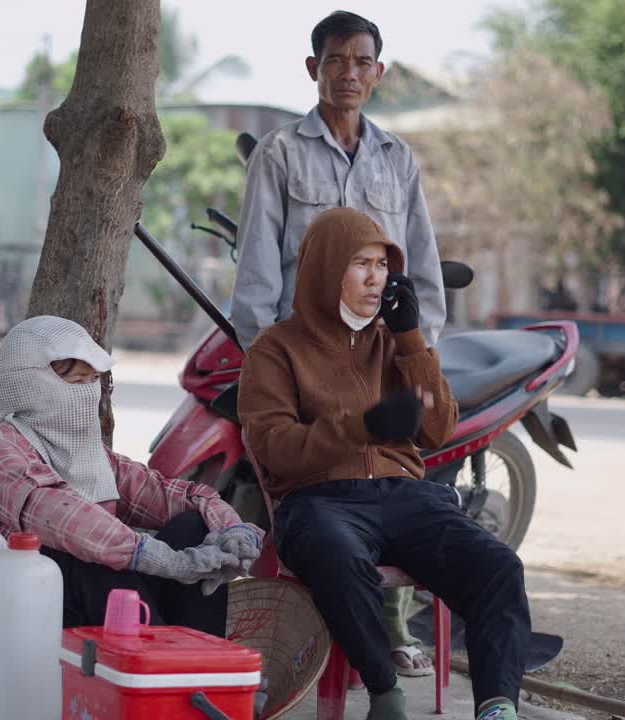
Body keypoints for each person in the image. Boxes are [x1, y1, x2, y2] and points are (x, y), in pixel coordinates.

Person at [238, 208, 531, 720]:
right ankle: (385, 689)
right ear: (328, 270)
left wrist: (412, 339)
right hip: (320, 500)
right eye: (361, 264)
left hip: (405, 497)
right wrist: (359, 427)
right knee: (334, 552)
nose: (377, 278)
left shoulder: (393, 341)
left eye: (382, 264)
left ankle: (497, 705)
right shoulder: (274, 350)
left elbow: (438, 430)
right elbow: (274, 448)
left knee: (498, 566)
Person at [230, 8, 446, 676]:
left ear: (377, 74)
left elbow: (426, 273)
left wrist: (417, 351)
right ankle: (288, 621)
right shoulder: (280, 153)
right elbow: (257, 276)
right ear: (312, 69)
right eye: (335, 60)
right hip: (303, 360)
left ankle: (392, 626)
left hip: (380, 358)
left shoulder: (398, 158)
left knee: (396, 475)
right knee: (296, 478)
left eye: (361, 62)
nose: (348, 73)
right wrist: (274, 366)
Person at [0, 316, 264, 635]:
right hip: (2, 616)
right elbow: (68, 520)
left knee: (193, 526)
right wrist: (172, 562)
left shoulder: (89, 456)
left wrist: (232, 530)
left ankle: (206, 667)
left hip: (67, 605)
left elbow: (176, 494)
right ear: (25, 385)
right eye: (75, 381)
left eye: (93, 381)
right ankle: (164, 674)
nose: (88, 392)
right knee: (90, 556)